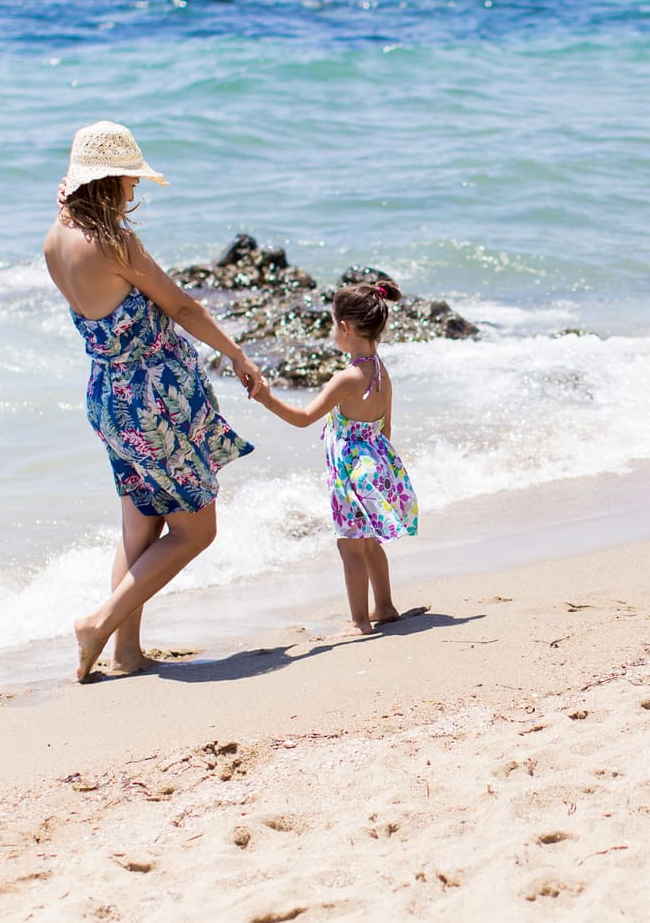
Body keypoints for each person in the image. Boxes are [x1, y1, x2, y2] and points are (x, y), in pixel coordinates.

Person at [42, 120, 268, 682]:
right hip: (153, 400)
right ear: (109, 179)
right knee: (197, 530)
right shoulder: (115, 242)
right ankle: (99, 622)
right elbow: (183, 308)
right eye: (129, 180)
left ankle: (125, 653)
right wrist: (237, 353)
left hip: (108, 396)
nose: (135, 191)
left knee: (140, 526)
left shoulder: (54, 239)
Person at [252, 278, 420, 635]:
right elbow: (386, 426)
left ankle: (360, 620)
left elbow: (302, 418)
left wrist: (266, 397)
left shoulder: (347, 377)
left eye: (333, 324)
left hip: (351, 474)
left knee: (350, 549)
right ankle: (385, 606)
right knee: (370, 544)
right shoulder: (379, 370)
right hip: (377, 464)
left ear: (344, 328)